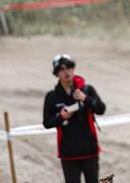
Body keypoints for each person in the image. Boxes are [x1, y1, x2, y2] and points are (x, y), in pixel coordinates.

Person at [42, 54, 106, 183]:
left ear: (73, 69)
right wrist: (61, 117)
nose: (66, 72)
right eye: (62, 69)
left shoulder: (87, 89)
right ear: (56, 73)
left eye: (69, 67)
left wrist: (85, 99)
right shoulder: (52, 96)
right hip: (68, 152)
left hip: (89, 150)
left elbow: (101, 109)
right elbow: (47, 123)